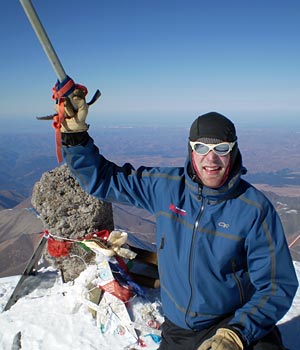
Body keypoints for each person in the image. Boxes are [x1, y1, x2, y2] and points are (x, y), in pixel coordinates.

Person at [58, 85, 298, 350]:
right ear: (190, 150)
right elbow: (104, 180)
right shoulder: (166, 187)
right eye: (201, 148)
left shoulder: (253, 209)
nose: (211, 159)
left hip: (232, 323)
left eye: (221, 148)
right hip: (179, 330)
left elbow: (277, 285)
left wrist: (236, 334)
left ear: (233, 151)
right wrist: (76, 136)